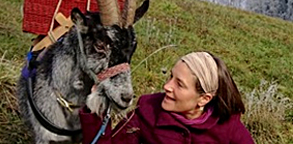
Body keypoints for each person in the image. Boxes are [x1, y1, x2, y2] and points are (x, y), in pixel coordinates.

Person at [79, 51, 255, 144]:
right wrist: (96, 108)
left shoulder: (227, 125)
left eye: (179, 84)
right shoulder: (147, 112)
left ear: (204, 99)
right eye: (171, 77)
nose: (167, 86)